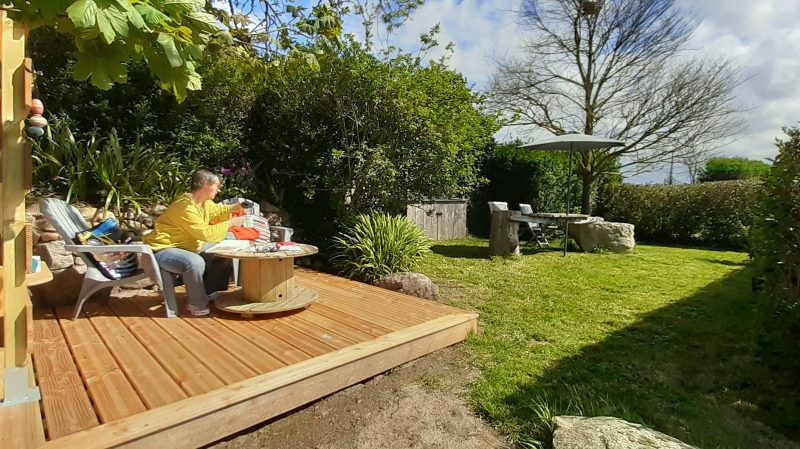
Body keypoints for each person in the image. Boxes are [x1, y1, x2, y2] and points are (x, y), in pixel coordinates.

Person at [145, 169, 247, 316]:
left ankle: (210, 291)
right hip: (164, 250)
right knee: (194, 262)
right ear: (206, 184)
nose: (219, 190)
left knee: (225, 248)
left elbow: (218, 211)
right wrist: (231, 222)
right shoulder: (186, 207)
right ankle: (196, 304)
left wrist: (237, 207)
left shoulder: (204, 203)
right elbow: (206, 234)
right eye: (217, 186)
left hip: (189, 246)